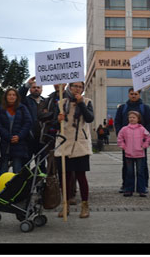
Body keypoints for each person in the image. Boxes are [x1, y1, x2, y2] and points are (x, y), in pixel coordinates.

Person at [54, 81, 94, 218]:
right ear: (69, 87)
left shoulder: (87, 101)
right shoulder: (61, 102)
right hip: (64, 143)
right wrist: (57, 119)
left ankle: (84, 205)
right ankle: (64, 205)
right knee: (64, 177)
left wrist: (81, 103)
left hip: (80, 145)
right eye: (75, 86)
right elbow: (53, 123)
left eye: (80, 87)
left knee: (81, 176)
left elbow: (89, 118)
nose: (77, 89)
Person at [114, 89, 150, 194]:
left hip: (140, 144)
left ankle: (143, 186)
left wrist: (145, 140)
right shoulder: (123, 108)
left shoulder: (145, 108)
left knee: (142, 166)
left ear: (139, 95)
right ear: (128, 94)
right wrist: (121, 138)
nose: (133, 96)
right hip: (127, 143)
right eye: (131, 94)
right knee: (126, 165)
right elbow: (117, 122)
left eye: (136, 94)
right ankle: (126, 186)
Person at [117, 111, 150, 197]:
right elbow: (119, 138)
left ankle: (142, 189)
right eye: (130, 117)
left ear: (138, 119)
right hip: (128, 154)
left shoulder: (142, 129)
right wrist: (124, 147)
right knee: (129, 172)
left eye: (134, 117)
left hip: (140, 154)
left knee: (140, 172)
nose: (132, 119)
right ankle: (129, 189)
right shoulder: (124, 129)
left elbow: (148, 137)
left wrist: (144, 145)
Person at [0, 88, 32, 174]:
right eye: (9, 95)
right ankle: (3, 187)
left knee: (17, 169)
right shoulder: (0, 109)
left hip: (19, 143)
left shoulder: (22, 108)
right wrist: (8, 136)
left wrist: (19, 136)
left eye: (14, 95)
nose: (12, 97)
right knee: (3, 169)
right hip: (5, 143)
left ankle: (17, 188)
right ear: (6, 97)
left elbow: (28, 122)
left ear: (17, 97)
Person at [18, 77, 45, 159]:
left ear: (41, 90)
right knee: (26, 165)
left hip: (42, 138)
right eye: (33, 87)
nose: (36, 89)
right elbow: (19, 96)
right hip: (28, 138)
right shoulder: (25, 100)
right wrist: (27, 85)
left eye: (38, 87)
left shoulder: (46, 101)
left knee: (41, 165)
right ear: (30, 89)